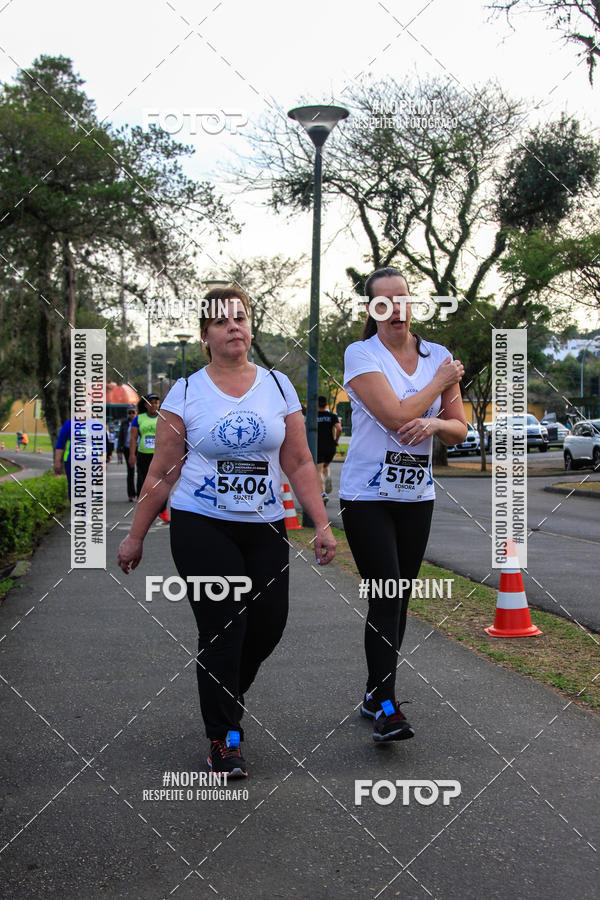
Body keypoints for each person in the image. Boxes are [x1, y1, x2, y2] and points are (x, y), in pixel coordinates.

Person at [117, 287, 336, 778]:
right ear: (205, 336)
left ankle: (226, 694)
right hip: (201, 524)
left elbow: (299, 461)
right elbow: (163, 473)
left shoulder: (279, 386)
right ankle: (223, 738)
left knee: (268, 625)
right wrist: (135, 535)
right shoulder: (188, 391)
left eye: (240, 317)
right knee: (224, 629)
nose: (233, 326)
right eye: (221, 321)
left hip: (264, 525)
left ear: (250, 326)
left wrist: (321, 523)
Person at [339, 267, 467, 743]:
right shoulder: (361, 354)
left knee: (400, 599)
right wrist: (438, 385)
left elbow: (460, 428)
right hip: (367, 496)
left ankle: (376, 694)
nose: (396, 309)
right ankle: (387, 707)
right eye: (384, 302)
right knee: (387, 593)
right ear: (371, 310)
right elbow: (394, 416)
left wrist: (436, 426)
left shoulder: (439, 356)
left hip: (417, 496)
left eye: (403, 299)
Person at [128, 394, 170, 523]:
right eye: (151, 402)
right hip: (143, 455)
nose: (154, 405)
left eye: (156, 403)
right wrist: (132, 455)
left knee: (163, 483)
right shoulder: (139, 419)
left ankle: (162, 511)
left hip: (159, 455)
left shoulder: (164, 418)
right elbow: (133, 438)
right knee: (144, 483)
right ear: (146, 405)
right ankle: (145, 511)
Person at [317, 395, 342, 504]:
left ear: (316, 404)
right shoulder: (332, 416)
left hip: (318, 446)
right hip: (330, 446)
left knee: (318, 471)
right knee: (326, 466)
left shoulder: (313, 416)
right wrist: (336, 440)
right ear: (326, 404)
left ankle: (323, 494)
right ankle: (328, 477)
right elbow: (339, 428)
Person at [117, 406, 137, 501]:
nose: (131, 414)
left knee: (141, 471)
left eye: (133, 412)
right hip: (127, 449)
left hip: (138, 448)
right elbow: (121, 437)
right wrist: (119, 451)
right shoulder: (124, 423)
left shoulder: (138, 421)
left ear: (136, 412)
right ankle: (131, 494)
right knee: (130, 471)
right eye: (130, 413)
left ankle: (140, 492)